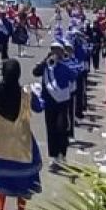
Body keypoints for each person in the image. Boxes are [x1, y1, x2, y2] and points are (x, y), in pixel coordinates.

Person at [0, 59, 45, 210]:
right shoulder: (26, 94)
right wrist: (38, 93)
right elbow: (40, 107)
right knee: (24, 181)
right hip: (21, 145)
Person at [34, 41, 75, 171]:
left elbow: (74, 75)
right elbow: (35, 72)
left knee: (62, 129)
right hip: (49, 102)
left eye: (58, 50)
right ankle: (54, 156)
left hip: (62, 102)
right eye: (53, 50)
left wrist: (65, 62)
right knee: (51, 129)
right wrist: (44, 62)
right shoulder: (47, 66)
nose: (55, 53)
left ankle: (62, 154)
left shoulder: (65, 65)